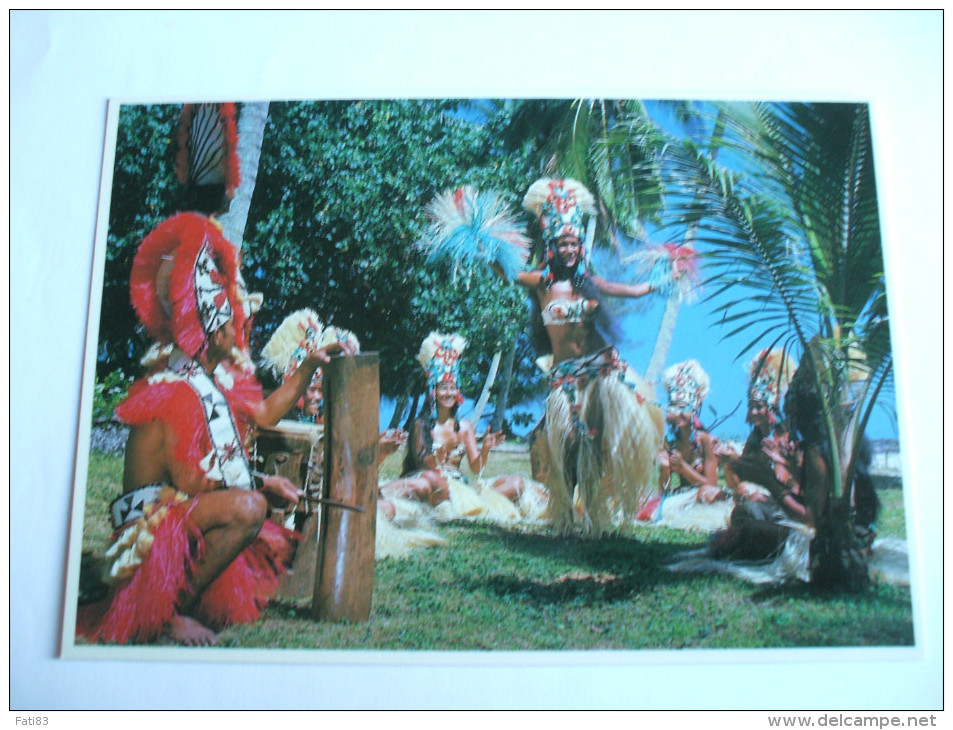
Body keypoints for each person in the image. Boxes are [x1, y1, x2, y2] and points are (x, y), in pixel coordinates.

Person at [77, 213, 348, 646]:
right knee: (247, 509)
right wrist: (259, 490)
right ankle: (166, 614)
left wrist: (311, 365)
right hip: (150, 531)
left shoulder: (212, 381)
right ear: (213, 331)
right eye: (236, 326)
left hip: (179, 511)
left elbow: (261, 415)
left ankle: (178, 603)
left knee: (250, 503)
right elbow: (189, 480)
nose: (242, 336)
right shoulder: (175, 390)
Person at [510, 177, 665, 536]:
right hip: (565, 379)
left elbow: (633, 290)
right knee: (565, 446)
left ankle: (595, 516)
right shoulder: (543, 284)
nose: (569, 249)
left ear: (582, 247)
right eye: (563, 242)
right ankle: (563, 514)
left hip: (600, 372)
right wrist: (483, 244)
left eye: (575, 243)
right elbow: (509, 273)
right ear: (552, 245)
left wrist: (664, 277)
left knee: (595, 446)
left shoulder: (589, 284)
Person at [395, 332, 548, 522]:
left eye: (453, 388)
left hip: (461, 489)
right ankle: (467, 506)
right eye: (443, 388)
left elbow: (476, 467)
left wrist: (485, 449)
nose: (449, 393)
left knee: (515, 482)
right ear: (433, 392)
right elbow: (425, 465)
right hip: (434, 486)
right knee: (433, 480)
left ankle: (471, 505)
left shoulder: (465, 427)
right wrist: (440, 455)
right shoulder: (421, 425)